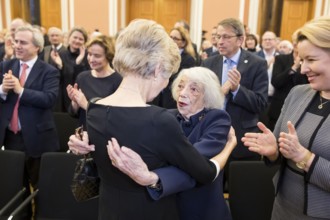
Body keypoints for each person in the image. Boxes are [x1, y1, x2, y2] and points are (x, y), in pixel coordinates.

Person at [68, 19, 234, 220]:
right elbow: (204, 173)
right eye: (168, 77)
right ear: (157, 70)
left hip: (109, 210)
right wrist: (229, 147)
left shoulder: (94, 107)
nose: (166, 86)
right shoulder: (159, 120)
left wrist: (83, 141)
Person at [106, 66, 234, 220]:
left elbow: (195, 163)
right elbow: (133, 134)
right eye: (180, 86)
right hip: (167, 207)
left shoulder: (217, 118)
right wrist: (87, 137)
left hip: (201, 208)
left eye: (194, 89)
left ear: (208, 97)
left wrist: (155, 178)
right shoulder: (167, 116)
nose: (183, 93)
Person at [242, 16, 330, 219]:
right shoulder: (298, 93)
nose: (302, 69)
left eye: (311, 60)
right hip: (282, 208)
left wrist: (305, 158)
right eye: (300, 59)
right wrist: (273, 152)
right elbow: (279, 152)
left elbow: (299, 154)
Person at [0, 25, 60, 217]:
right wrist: (2, 89)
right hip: (11, 139)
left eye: (23, 42)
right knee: (16, 188)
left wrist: (21, 90)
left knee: (43, 189)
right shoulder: (6, 66)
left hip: (38, 139)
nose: (17, 45)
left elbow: (49, 99)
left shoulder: (48, 71)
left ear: (37, 47)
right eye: (16, 41)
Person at [201, 17, 268, 161]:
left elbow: (261, 103)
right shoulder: (208, 63)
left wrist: (237, 89)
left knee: (239, 182)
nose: (220, 41)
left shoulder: (257, 64)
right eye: (218, 36)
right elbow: (201, 99)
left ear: (240, 40)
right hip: (211, 135)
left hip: (242, 138)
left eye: (226, 37)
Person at [66, 35, 122, 127]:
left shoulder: (118, 80)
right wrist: (75, 102)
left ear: (108, 56)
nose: (91, 59)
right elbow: (74, 114)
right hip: (83, 135)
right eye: (89, 54)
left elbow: (116, 117)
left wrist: (86, 105)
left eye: (97, 56)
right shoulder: (82, 77)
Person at [268, 32, 308, 130]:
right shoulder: (281, 59)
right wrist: (294, 67)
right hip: (279, 107)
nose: (296, 44)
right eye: (295, 42)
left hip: (300, 107)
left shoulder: (308, 61)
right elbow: (276, 82)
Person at [152, 26, 196, 109]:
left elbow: (180, 79)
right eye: (170, 37)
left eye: (175, 38)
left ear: (183, 43)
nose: (171, 40)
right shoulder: (162, 54)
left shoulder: (188, 59)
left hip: (172, 98)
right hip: (157, 97)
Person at [51, 26, 90, 112]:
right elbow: (56, 79)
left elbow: (84, 79)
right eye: (75, 37)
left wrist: (79, 63)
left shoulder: (88, 56)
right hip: (63, 98)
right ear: (69, 38)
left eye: (81, 39)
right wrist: (59, 66)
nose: (77, 40)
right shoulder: (61, 54)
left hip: (81, 97)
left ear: (84, 42)